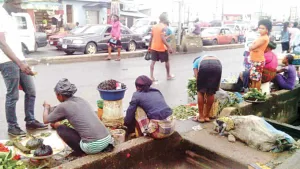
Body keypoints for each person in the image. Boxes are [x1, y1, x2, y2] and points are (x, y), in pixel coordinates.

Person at [0, 0, 47, 136]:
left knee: (31, 91)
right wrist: (19, 63)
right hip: (7, 61)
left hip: (20, 60)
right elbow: (2, 43)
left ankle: (30, 120)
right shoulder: (0, 14)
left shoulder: (11, 15)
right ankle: (12, 126)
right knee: (12, 95)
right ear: (7, 2)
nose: (19, 7)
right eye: (16, 4)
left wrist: (23, 61)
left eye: (20, 4)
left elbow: (13, 41)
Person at [42, 79, 114, 156]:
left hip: (93, 146)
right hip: (107, 139)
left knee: (61, 129)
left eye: (57, 95)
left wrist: (46, 107)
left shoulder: (63, 106)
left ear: (60, 95)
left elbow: (45, 120)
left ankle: (81, 153)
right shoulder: (80, 100)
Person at [193, 55, 222, 123]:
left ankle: (201, 117)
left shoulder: (195, 62)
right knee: (211, 92)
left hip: (205, 65)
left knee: (200, 92)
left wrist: (200, 87)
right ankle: (206, 116)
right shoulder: (211, 57)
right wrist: (216, 87)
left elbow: (196, 76)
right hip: (218, 64)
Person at [148, 13, 174, 82]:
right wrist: (169, 47)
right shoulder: (164, 27)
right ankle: (168, 75)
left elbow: (151, 37)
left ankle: (151, 77)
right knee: (167, 61)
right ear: (165, 19)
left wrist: (149, 46)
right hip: (162, 48)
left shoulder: (154, 26)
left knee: (152, 62)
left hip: (154, 47)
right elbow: (162, 38)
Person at [249, 19, 271, 90]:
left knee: (256, 79)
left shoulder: (264, 38)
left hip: (258, 61)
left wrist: (252, 47)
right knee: (253, 78)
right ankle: (253, 93)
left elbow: (252, 47)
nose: (260, 30)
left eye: (263, 28)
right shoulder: (261, 37)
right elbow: (252, 48)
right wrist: (253, 48)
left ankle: (256, 93)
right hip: (255, 60)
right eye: (259, 28)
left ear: (267, 30)